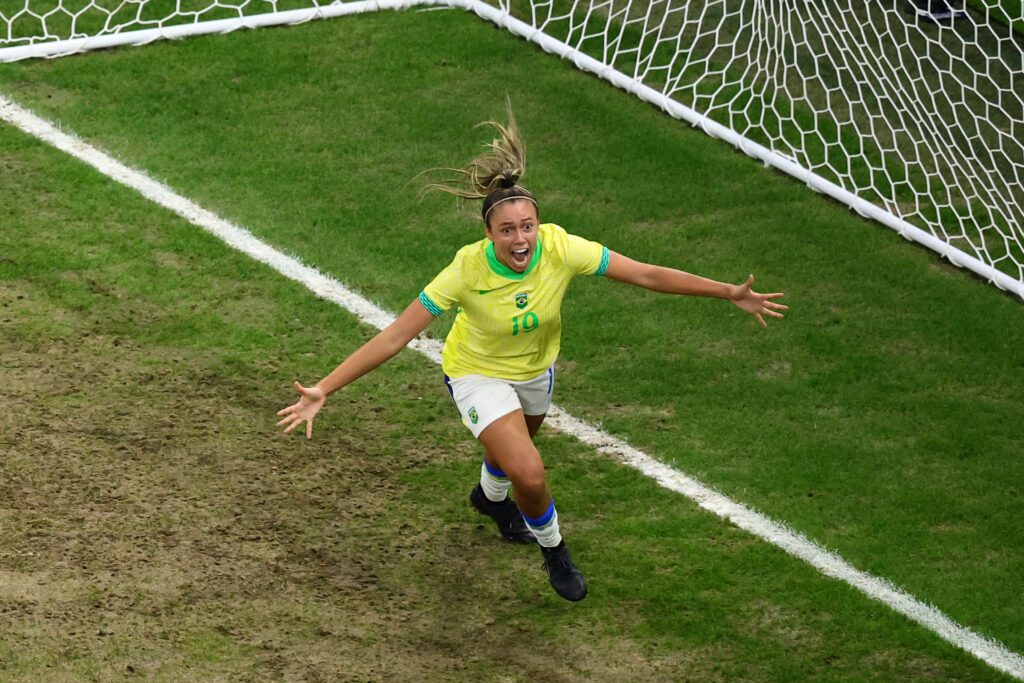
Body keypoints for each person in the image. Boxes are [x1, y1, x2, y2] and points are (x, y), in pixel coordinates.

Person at [277, 107, 787, 602]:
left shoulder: (561, 248)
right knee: (531, 472)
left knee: (506, 461)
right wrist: (325, 387)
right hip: (477, 374)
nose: (520, 239)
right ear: (489, 234)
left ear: (538, 226)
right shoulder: (465, 271)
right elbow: (395, 336)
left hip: (535, 370)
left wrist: (727, 291)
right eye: (507, 231)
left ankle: (488, 500)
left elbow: (647, 274)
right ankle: (556, 553)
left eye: (528, 227)